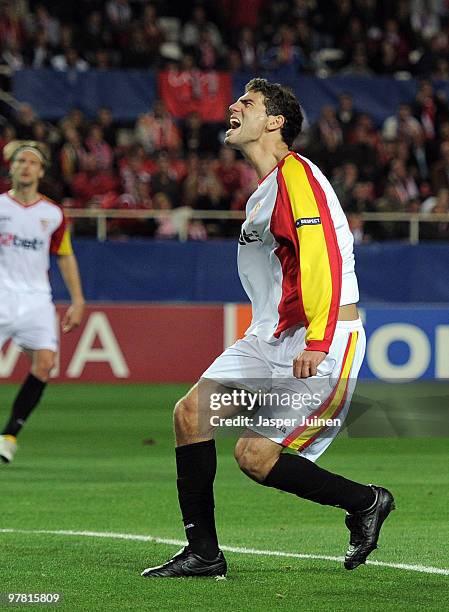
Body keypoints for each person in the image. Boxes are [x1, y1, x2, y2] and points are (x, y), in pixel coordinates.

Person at [141, 79, 395, 579]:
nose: (234, 106)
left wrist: (320, 340)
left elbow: (322, 260)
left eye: (248, 103)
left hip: (320, 338)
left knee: (255, 457)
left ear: (274, 123)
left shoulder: (297, 176)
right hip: (271, 337)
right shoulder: (266, 190)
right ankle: (203, 554)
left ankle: (366, 502)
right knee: (192, 414)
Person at [0, 140, 85, 464]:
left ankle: (9, 436)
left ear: (40, 171)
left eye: (32, 162)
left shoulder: (52, 214)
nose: (25, 166)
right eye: (21, 161)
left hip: (36, 298)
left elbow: (64, 256)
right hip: (2, 295)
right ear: (12, 167)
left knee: (45, 364)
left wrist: (77, 299)